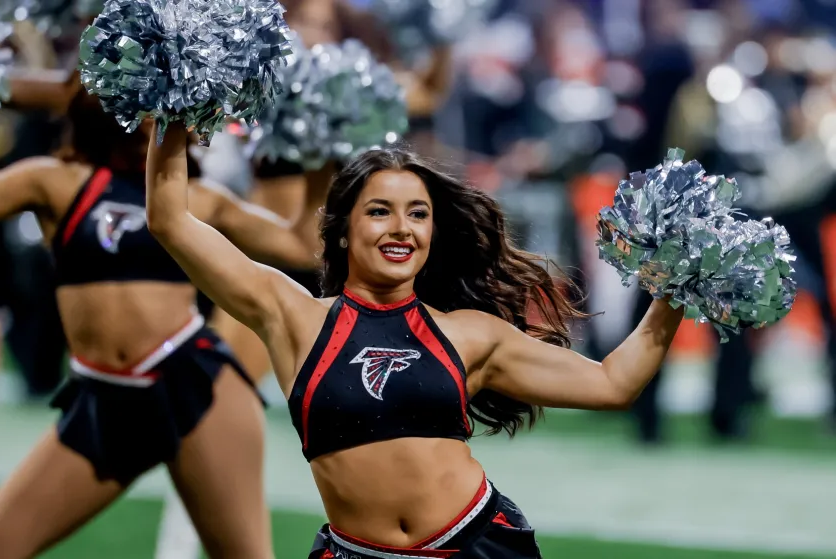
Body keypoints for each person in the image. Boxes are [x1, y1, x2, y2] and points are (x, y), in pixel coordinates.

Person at [147, 127, 686, 558]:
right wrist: (170, 110)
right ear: (341, 230)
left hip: (478, 544)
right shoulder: (291, 315)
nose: (402, 229)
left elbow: (615, 383)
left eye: (418, 214)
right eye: (380, 211)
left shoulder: (470, 334)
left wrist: (680, 286)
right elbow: (170, 219)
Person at [0, 89, 326, 559]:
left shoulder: (197, 195)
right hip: (103, 397)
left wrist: (316, 152)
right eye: (149, 101)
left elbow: (300, 246)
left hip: (195, 389)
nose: (161, 117)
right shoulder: (56, 179)